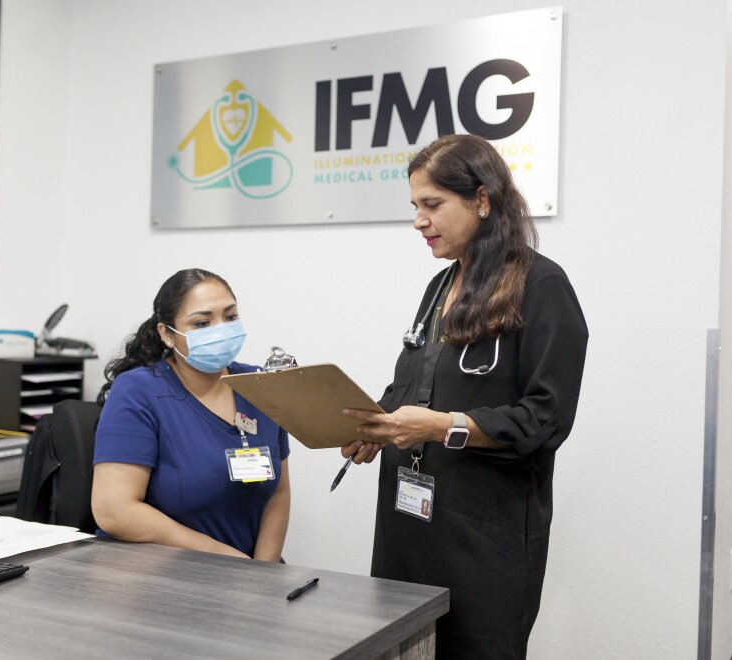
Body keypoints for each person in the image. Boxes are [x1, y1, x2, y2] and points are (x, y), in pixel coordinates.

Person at [341, 134, 588, 658]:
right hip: (407, 528)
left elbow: (545, 418)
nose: (418, 221)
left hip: (483, 539)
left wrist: (440, 426)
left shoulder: (540, 286)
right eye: (415, 206)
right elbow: (412, 386)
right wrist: (377, 427)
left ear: (482, 198)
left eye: (432, 205)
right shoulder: (439, 287)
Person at [91, 268, 290, 561]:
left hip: (249, 578)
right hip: (163, 577)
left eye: (231, 317)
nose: (221, 329)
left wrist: (262, 572)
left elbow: (278, 494)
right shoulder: (138, 391)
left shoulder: (261, 386)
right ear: (167, 334)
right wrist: (230, 561)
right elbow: (114, 511)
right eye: (202, 322)